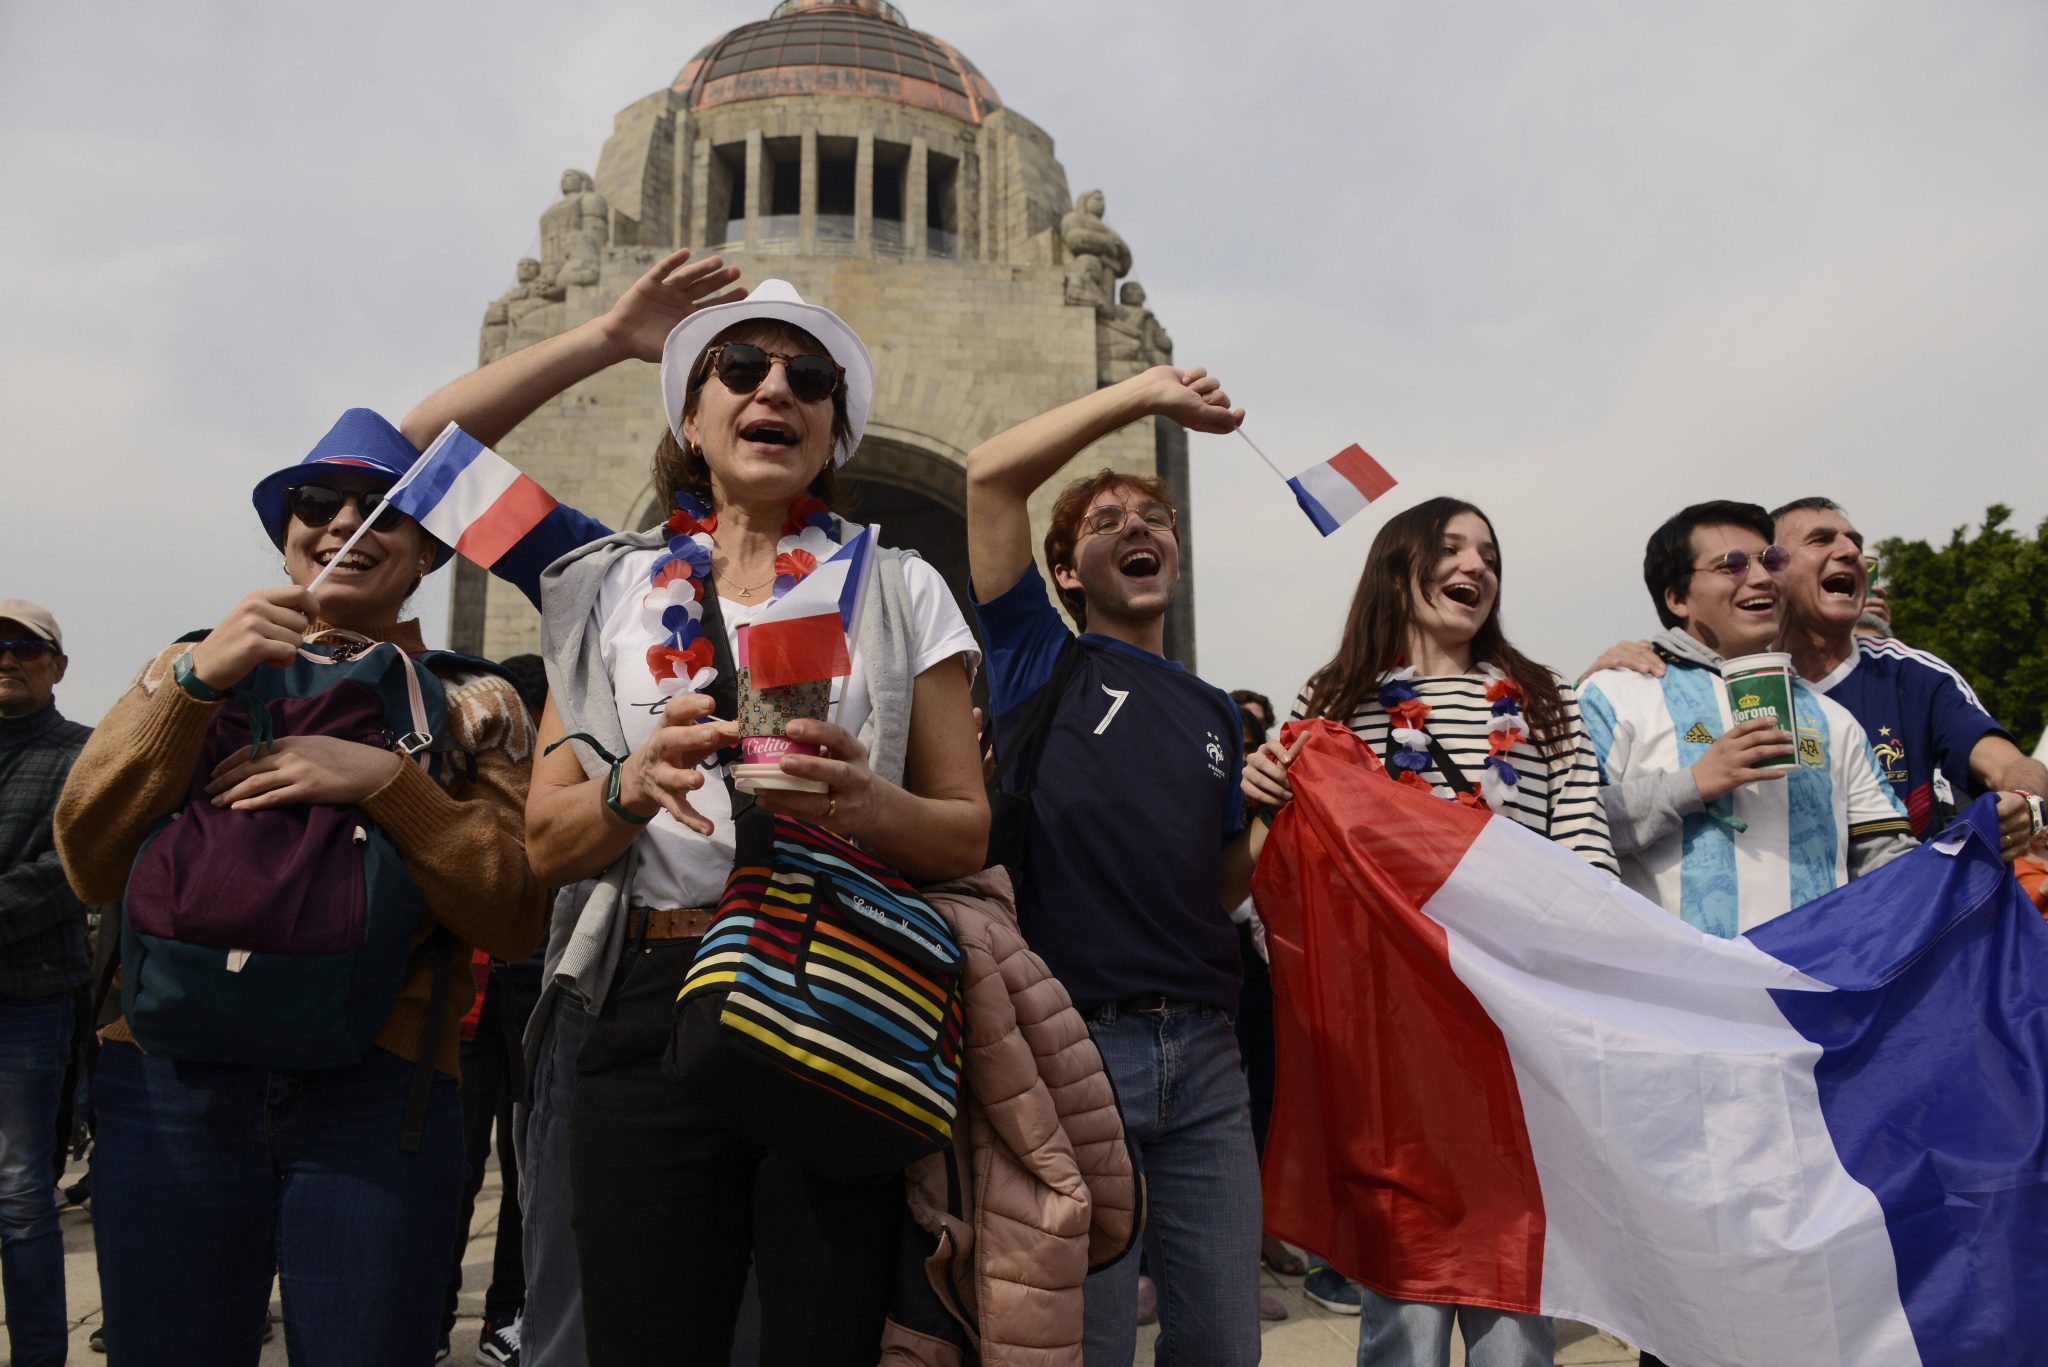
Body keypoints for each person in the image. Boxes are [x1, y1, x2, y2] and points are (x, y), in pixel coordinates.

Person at [404, 252, 988, 1366]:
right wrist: (610, 336)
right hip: (646, 993)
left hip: (834, 990)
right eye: (737, 364)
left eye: (808, 378)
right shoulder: (600, 577)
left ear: (835, 430)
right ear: (691, 407)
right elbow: (416, 453)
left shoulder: (901, 584)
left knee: (815, 1340)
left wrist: (865, 796)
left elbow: (964, 827)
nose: (773, 388)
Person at [54, 410, 549, 1367]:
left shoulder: (476, 699)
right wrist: (195, 686)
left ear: (426, 556)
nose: (345, 527)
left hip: (378, 1089)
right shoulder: (189, 659)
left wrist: (386, 784)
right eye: (318, 505)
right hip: (168, 1077)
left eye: (383, 514)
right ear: (285, 534)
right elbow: (88, 855)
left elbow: (512, 910)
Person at [1241, 496, 1616, 1367]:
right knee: (1403, 1313)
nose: (1475, 566)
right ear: (1399, 565)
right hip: (1394, 1046)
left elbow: (1586, 856)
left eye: (1489, 552)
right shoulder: (1334, 701)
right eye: (1451, 547)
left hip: (1514, 1034)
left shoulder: (1545, 700)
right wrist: (1264, 795)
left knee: (1516, 1309)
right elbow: (1296, 879)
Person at [965, 363, 1263, 1366]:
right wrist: (1144, 396)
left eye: (1155, 516)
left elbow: (1220, 888)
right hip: (1074, 1049)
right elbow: (989, 480)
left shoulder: (1216, 711)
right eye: (1105, 522)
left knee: (1222, 1341)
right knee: (1082, 1344)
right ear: (1061, 572)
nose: (1138, 528)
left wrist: (1268, 810)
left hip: (1208, 1060)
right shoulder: (1037, 662)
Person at [1581, 497, 2047, 860]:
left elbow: (2003, 771)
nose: (1850, 553)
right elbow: (1567, 829)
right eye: (1822, 541)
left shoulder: (1890, 685)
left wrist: (2023, 805)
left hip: (1843, 959)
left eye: (1855, 544)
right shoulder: (1639, 684)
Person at [1575, 502, 1914, 940]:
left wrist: (1975, 852)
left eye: (1770, 561)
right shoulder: (1614, 692)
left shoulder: (1833, 719)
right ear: (1677, 598)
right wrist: (1694, 783)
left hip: (1806, 995)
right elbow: (1564, 833)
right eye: (1730, 565)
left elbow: (1887, 860)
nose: (1760, 578)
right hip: (1670, 996)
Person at [435, 653, 551, 1367]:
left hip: (533, 994)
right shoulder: (461, 772)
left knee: (524, 1166)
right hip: (473, 999)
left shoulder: (567, 780)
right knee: (459, 1163)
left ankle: (506, 1311)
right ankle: (444, 1308)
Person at [0, 598, 93, 1367]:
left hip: (26, 1004)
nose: (7, 658)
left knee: (23, 1194)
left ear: (57, 665)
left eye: (25, 648)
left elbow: (75, 870)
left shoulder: (82, 754)